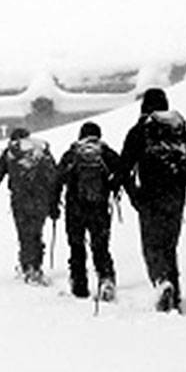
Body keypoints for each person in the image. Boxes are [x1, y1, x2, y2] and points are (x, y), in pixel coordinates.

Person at [119, 88, 186, 312]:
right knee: (169, 246)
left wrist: (134, 196)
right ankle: (174, 294)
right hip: (175, 196)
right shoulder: (176, 130)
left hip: (150, 196)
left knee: (152, 247)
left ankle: (162, 283)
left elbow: (123, 168)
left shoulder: (140, 131)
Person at [0, 126, 57, 285]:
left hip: (20, 200)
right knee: (36, 233)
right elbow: (54, 176)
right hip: (41, 200)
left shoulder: (10, 153)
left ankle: (27, 266)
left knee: (24, 234)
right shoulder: (41, 151)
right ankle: (36, 266)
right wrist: (54, 202)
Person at [52, 120, 121, 300]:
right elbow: (122, 171)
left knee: (76, 247)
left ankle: (79, 284)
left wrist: (53, 205)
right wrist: (114, 187)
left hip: (75, 209)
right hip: (99, 208)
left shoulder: (72, 154)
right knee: (100, 246)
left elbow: (57, 179)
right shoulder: (105, 153)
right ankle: (106, 279)